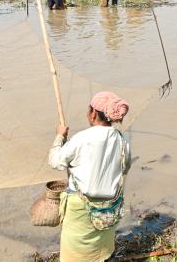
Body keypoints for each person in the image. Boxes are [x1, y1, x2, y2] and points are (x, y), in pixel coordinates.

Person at [48, 92, 131, 262]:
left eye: (89, 110)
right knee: (102, 249)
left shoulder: (82, 138)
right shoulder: (122, 140)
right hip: (109, 208)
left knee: (75, 253)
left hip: (82, 208)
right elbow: (125, 167)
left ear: (93, 113)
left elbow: (55, 161)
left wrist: (59, 137)